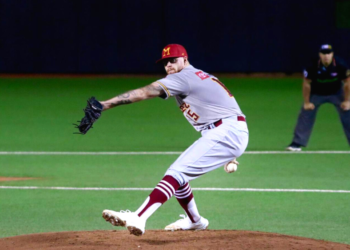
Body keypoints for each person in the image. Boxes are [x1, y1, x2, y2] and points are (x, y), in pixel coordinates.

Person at [99, 44, 249, 236]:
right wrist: (230, 152)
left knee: (176, 172)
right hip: (228, 131)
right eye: (165, 62)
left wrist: (105, 105)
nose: (168, 65)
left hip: (227, 131)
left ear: (184, 60)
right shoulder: (200, 75)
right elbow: (224, 106)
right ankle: (195, 221)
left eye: (173, 60)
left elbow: (145, 92)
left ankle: (139, 216)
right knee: (181, 177)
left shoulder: (184, 77)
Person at [286, 44, 350, 151]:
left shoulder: (340, 64)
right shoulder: (312, 65)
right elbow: (306, 84)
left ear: (332, 54)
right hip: (317, 93)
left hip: (336, 93)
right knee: (305, 113)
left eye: (328, 53)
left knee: (348, 112)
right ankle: (296, 143)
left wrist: (347, 101)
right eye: (323, 53)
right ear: (320, 54)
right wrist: (307, 102)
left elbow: (347, 83)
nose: (326, 56)